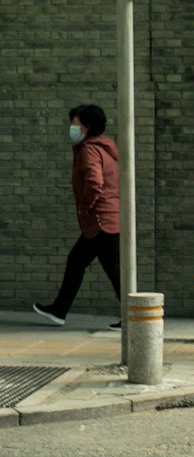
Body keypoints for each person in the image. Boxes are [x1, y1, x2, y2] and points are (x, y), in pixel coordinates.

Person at [33, 105, 121, 327]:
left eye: (75, 123)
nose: (71, 128)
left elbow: (94, 183)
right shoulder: (104, 148)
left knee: (103, 268)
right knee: (95, 266)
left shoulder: (89, 150)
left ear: (87, 126)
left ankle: (60, 310)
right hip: (108, 218)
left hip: (100, 221)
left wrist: (85, 206)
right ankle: (59, 310)